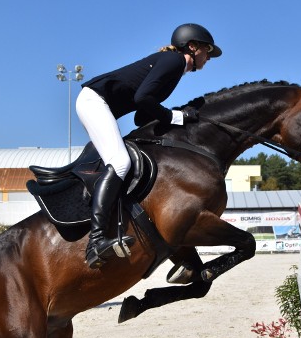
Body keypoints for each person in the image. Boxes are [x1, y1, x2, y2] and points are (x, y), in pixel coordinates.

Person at [76, 23, 222, 269]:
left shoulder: (173, 66)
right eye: (207, 51)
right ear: (193, 47)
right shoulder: (174, 61)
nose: (209, 57)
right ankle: (96, 241)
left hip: (97, 103)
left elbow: (141, 115)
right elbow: (142, 98)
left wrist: (177, 118)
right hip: (94, 101)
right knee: (120, 162)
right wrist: (178, 117)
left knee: (124, 160)